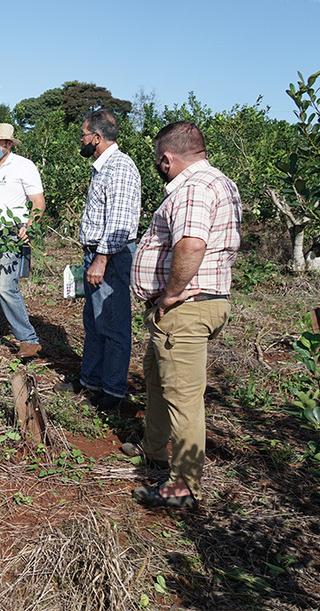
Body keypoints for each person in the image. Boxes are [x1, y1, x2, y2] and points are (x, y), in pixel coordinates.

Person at [127, 121, 241, 510]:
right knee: (158, 377)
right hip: (195, 306)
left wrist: (171, 294)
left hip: (185, 309)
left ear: (166, 158)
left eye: (160, 162)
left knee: (183, 396)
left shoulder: (192, 188)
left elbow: (191, 244)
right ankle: (154, 447)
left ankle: (182, 486)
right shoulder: (220, 182)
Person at [76, 110, 142, 411]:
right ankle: (90, 380)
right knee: (94, 320)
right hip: (97, 253)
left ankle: (113, 393)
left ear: (97, 138)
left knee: (113, 325)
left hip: (111, 257)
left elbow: (119, 222)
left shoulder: (120, 167)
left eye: (84, 135)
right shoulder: (103, 167)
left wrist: (100, 260)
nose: (81, 140)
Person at [0, 123, 45, 358]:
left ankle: (28, 340)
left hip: (11, 234)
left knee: (5, 287)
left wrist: (28, 226)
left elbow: (38, 202)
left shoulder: (24, 166)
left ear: (8, 144)